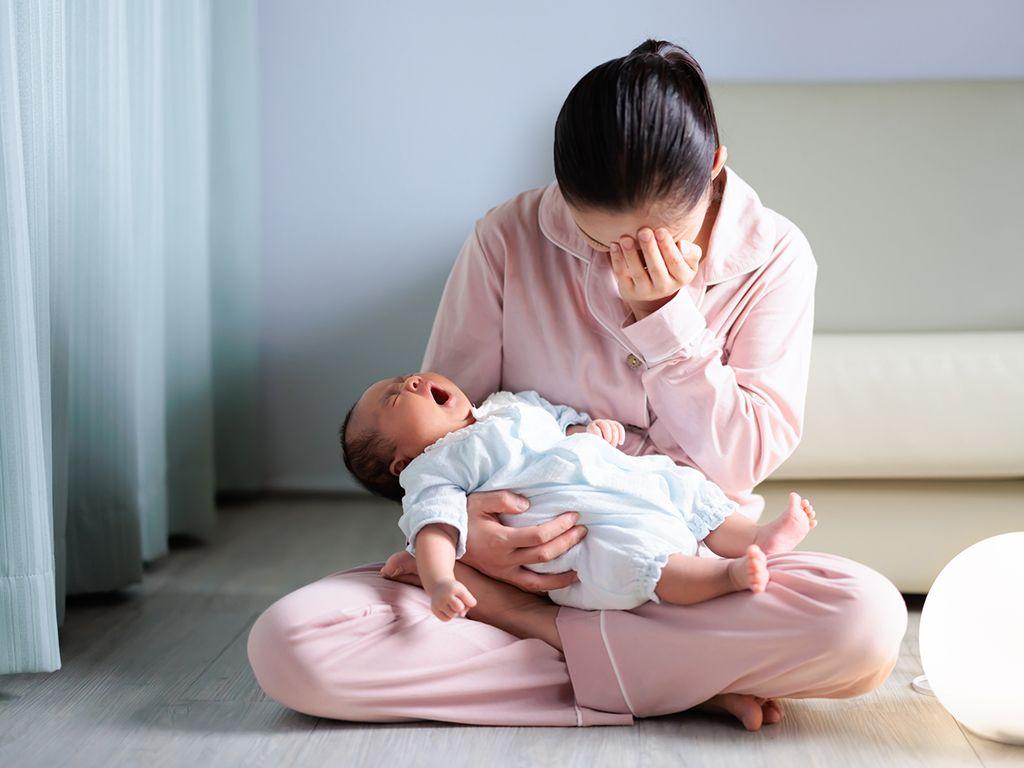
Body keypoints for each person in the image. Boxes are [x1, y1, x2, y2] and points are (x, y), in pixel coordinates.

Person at [247, 39, 907, 731]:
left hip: (685, 574)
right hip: (519, 569)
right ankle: (670, 680)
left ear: (714, 167)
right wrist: (471, 538)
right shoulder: (506, 238)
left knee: (863, 624)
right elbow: (442, 436)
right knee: (293, 645)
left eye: (654, 241)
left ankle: (565, 648)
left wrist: (665, 320)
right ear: (563, 189)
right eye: (599, 243)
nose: (625, 263)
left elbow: (738, 461)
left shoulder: (774, 256)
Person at [341, 377, 819, 617]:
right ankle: (724, 576)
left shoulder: (505, 404)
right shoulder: (434, 470)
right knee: (632, 556)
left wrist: (588, 428)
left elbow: (558, 420)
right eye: (396, 399)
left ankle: (755, 536)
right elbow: (435, 529)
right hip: (576, 523)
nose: (412, 382)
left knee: (683, 484)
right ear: (400, 464)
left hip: (620, 476)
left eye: (406, 377)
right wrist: (441, 580)